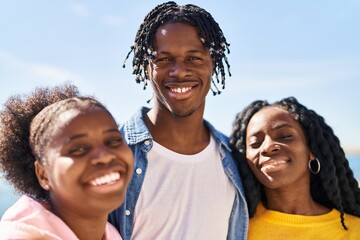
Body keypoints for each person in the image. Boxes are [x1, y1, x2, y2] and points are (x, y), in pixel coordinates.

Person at [108, 1, 248, 240]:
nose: (179, 71)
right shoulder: (110, 154)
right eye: (163, 59)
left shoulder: (235, 160)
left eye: (193, 59)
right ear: (145, 67)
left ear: (212, 64)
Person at [0, 84, 134, 240]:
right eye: (78, 149)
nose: (105, 156)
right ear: (43, 175)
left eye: (113, 140)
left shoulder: (110, 233)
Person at [230, 96, 360, 239]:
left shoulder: (354, 230)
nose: (267, 147)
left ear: (311, 150)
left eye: (285, 136)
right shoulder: (235, 227)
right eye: (255, 143)